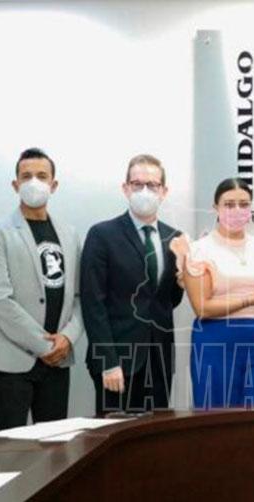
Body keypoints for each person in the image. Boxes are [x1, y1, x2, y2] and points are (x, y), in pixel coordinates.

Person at [0, 148, 83, 430]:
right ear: (15, 185)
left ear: (54, 184)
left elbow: (79, 297)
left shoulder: (69, 234)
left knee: (55, 445)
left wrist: (68, 338)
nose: (34, 182)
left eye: (41, 176)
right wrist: (43, 345)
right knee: (11, 447)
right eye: (26, 176)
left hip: (58, 360)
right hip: (12, 361)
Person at [170, 178, 254, 408]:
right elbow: (202, 308)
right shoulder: (199, 249)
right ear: (215, 207)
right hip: (216, 340)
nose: (237, 210)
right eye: (229, 204)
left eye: (244, 204)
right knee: (219, 416)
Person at [81, 154, 184, 414]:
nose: (145, 191)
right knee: (115, 433)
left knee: (155, 435)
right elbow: (93, 303)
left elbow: (168, 300)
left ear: (164, 191)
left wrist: (186, 277)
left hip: (158, 360)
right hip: (118, 361)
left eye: (153, 185)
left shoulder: (175, 238)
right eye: (138, 184)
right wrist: (108, 361)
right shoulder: (102, 235)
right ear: (126, 188)